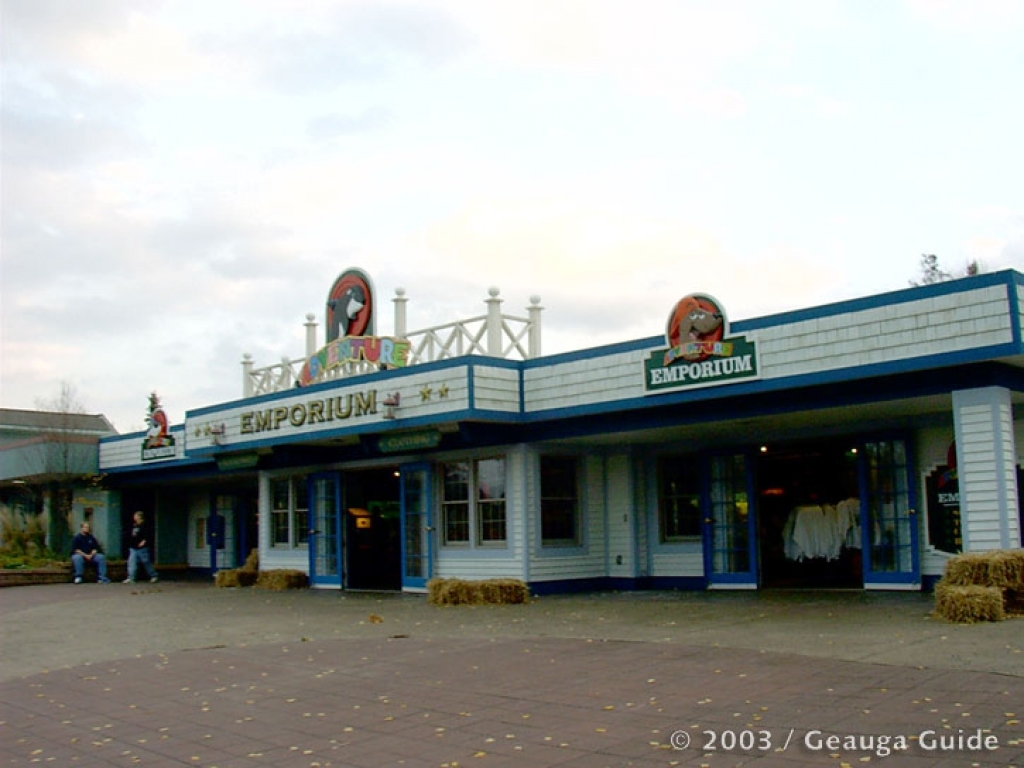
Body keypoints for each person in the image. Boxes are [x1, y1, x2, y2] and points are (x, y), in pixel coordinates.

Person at [124, 511, 158, 583]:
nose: (134, 517)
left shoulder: (145, 525)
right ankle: (131, 577)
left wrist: (144, 541)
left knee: (146, 562)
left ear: (140, 517)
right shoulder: (134, 525)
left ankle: (153, 575)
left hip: (142, 548)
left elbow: (149, 535)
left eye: (136, 516)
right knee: (131, 562)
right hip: (133, 547)